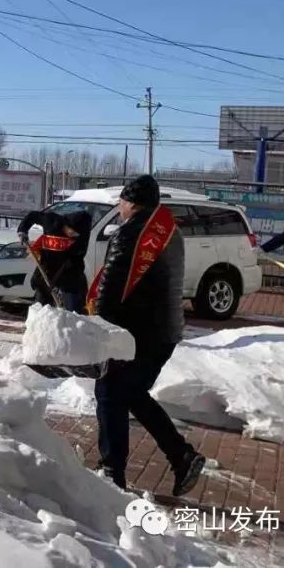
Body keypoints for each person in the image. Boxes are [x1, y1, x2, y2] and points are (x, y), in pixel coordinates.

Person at [91, 175, 205, 495]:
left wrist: (98, 326)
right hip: (165, 332)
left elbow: (111, 286)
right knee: (133, 394)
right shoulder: (170, 231)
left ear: (130, 203)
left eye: (121, 203)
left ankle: (112, 473)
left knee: (110, 391)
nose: (119, 209)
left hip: (137, 334)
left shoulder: (131, 232)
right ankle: (182, 456)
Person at [17, 208, 92, 313]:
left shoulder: (82, 235)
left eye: (77, 234)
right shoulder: (51, 220)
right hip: (46, 270)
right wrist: (22, 231)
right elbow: (32, 216)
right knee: (41, 310)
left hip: (69, 273)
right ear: (67, 225)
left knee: (73, 312)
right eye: (72, 232)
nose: (74, 235)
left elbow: (78, 256)